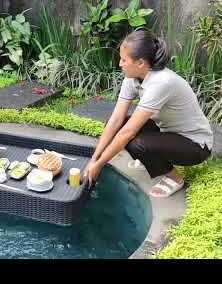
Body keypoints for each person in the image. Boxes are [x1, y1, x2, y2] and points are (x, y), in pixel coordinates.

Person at [83, 29, 213, 198]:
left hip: (194, 145)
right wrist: (94, 158)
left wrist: (99, 165)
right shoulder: (132, 76)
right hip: (167, 132)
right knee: (117, 125)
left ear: (141, 63)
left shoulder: (162, 82)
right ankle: (151, 157)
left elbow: (127, 133)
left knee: (137, 143)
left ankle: (174, 178)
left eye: (123, 60)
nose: (120, 64)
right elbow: (116, 119)